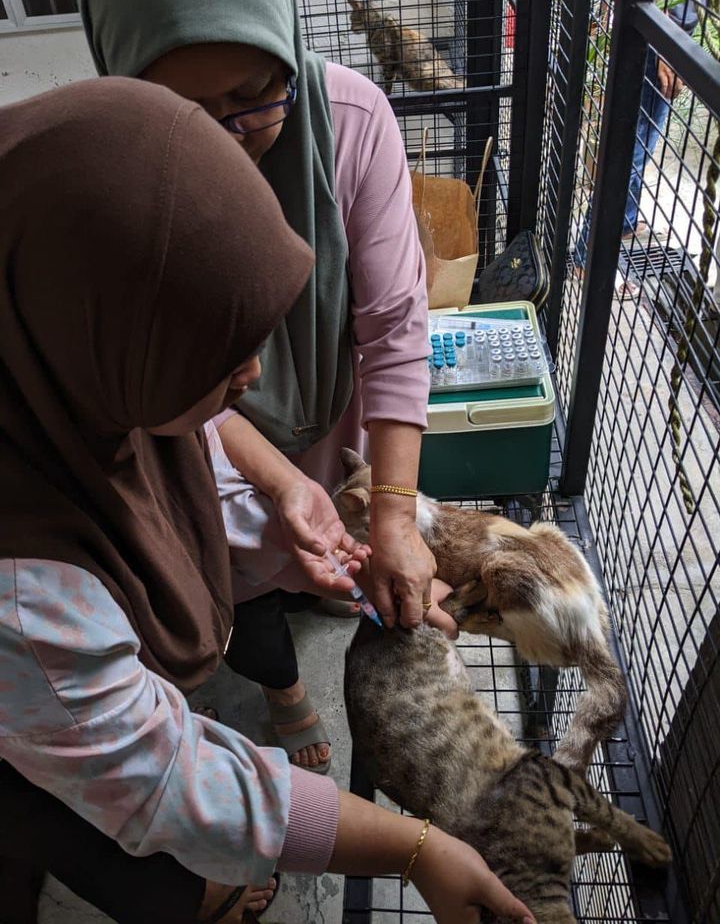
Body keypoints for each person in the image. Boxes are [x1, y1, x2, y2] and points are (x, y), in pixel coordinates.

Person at [0, 77, 535, 924]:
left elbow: (186, 430)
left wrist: (289, 489)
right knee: (101, 841)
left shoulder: (48, 355)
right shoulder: (29, 599)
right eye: (217, 354)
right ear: (108, 344)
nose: (249, 377)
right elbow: (179, 782)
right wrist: (418, 847)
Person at [72, 0, 440, 773]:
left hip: (323, 415)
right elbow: (161, 391)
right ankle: (281, 689)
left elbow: (393, 327)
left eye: (254, 98)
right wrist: (275, 480)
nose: (222, 141)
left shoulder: (349, 120)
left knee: (325, 558)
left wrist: (392, 516)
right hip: (200, 438)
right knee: (241, 595)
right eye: (181, 112)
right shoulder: (104, 164)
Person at [573, 0, 693, 296]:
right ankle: (588, 258)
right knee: (630, 152)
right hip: (657, 32)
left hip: (667, 29)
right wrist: (667, 42)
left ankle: (623, 221)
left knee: (642, 144)